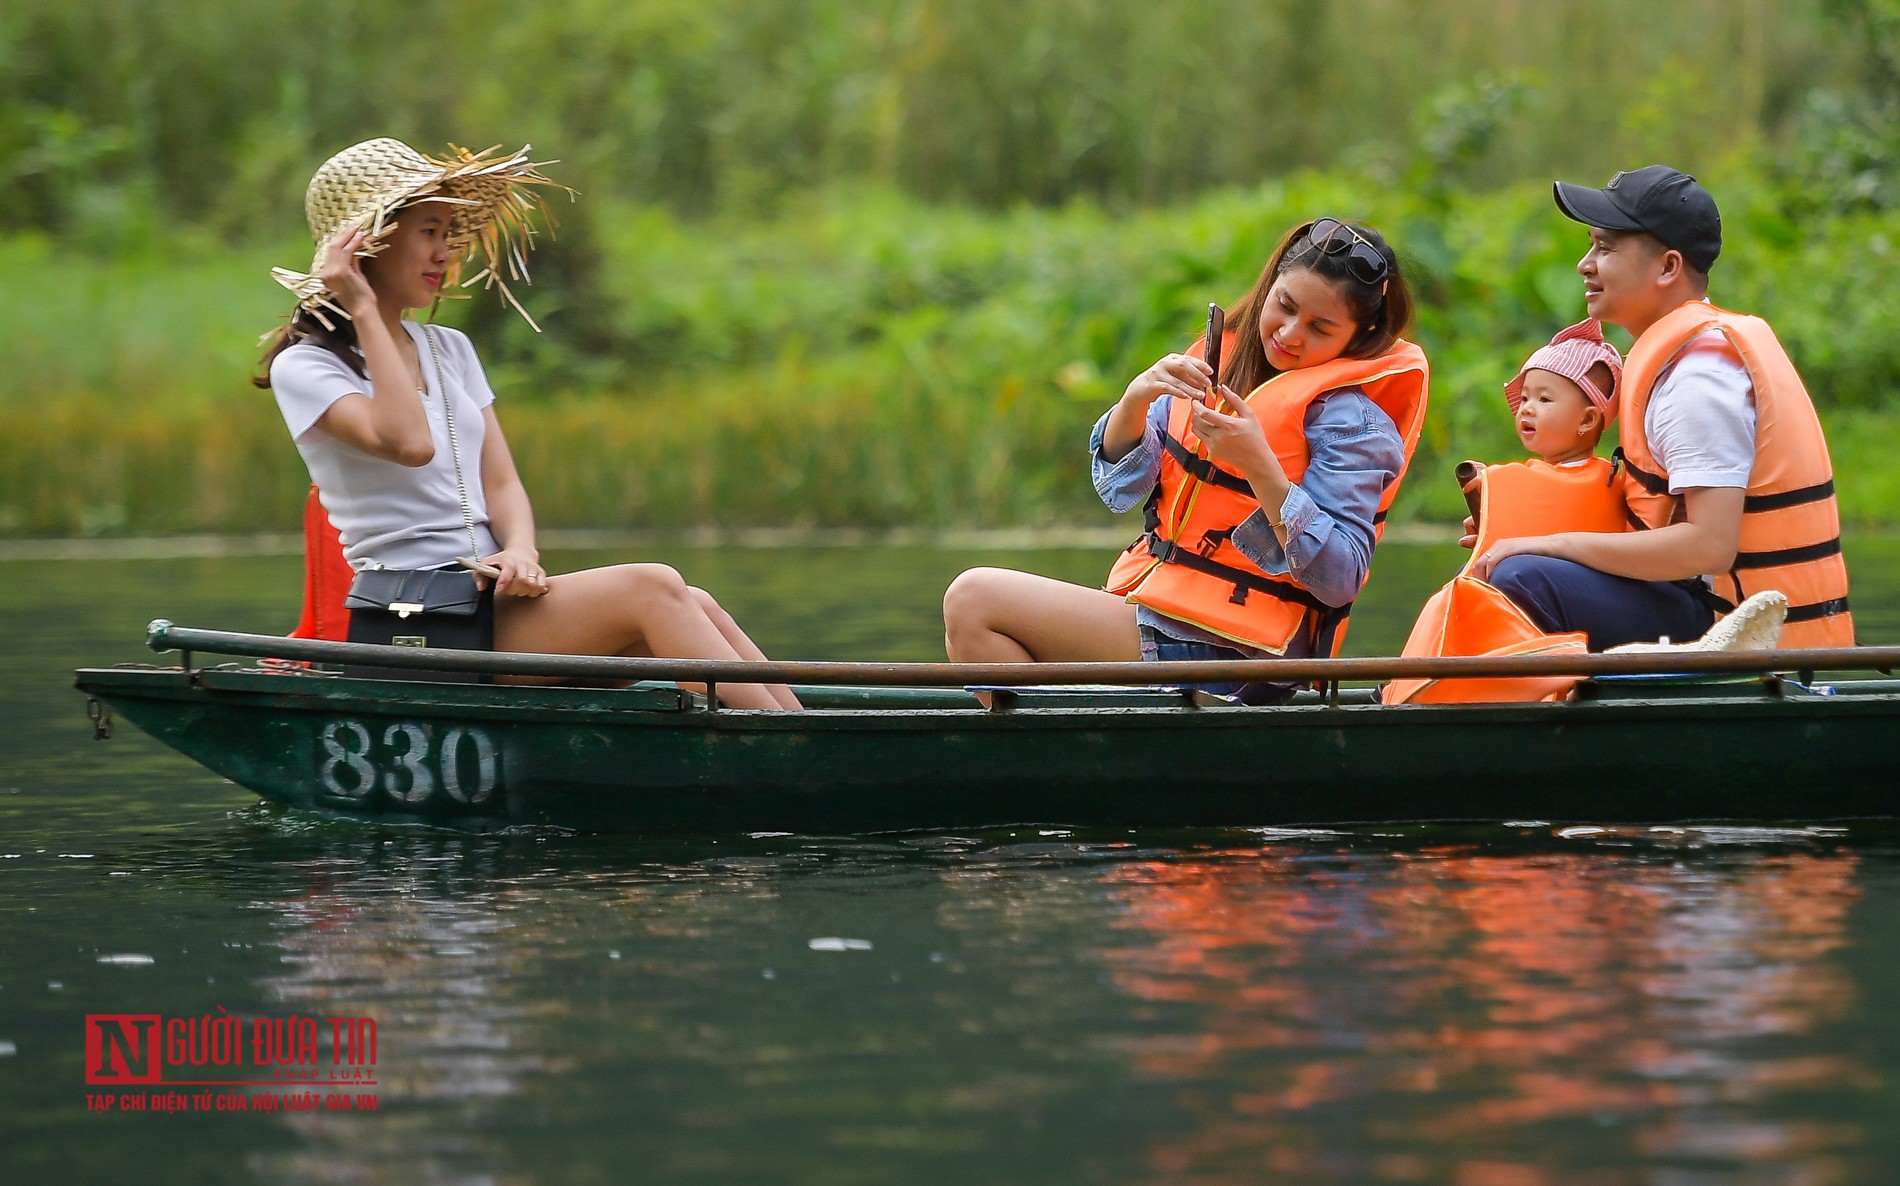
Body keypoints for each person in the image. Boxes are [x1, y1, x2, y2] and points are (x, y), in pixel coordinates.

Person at [256, 138, 798, 709]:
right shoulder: (307, 366)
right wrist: (363, 308)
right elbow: (410, 443)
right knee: (653, 586)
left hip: (490, 601)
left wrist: (521, 551)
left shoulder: (449, 348)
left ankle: (808, 733)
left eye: (447, 234)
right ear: (368, 242)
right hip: (420, 618)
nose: (444, 253)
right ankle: (791, 755)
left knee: (697, 600)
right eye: (428, 232)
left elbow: (502, 482)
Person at [943, 218, 1429, 701]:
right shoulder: (1217, 363)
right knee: (969, 628)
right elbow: (1120, 489)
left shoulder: (1354, 425)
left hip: (1242, 657)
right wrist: (1134, 401)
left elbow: (1341, 577)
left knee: (973, 600)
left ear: (1359, 334)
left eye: (1320, 327)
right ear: (1270, 284)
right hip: (1162, 617)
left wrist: (1261, 467)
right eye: (1285, 305)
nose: (1290, 333)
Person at [1470, 166, 1853, 651]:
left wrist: (1548, 545)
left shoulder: (1699, 378)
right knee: (1514, 557)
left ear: (1668, 267)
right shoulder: (1678, 358)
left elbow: (1709, 545)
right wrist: (1517, 522)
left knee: (1526, 576)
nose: (1585, 264)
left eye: (1605, 248)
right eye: (1590, 246)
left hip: (1735, 625)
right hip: (1693, 597)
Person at [1381, 321, 1626, 705]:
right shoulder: (1595, 479)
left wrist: (1490, 487)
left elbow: (1523, 493)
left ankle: (1420, 689)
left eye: (1545, 400)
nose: (1527, 408)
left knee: (1457, 598)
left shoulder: (1593, 481)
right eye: (1525, 398)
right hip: (1554, 608)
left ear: (1587, 420)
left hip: (1562, 614)